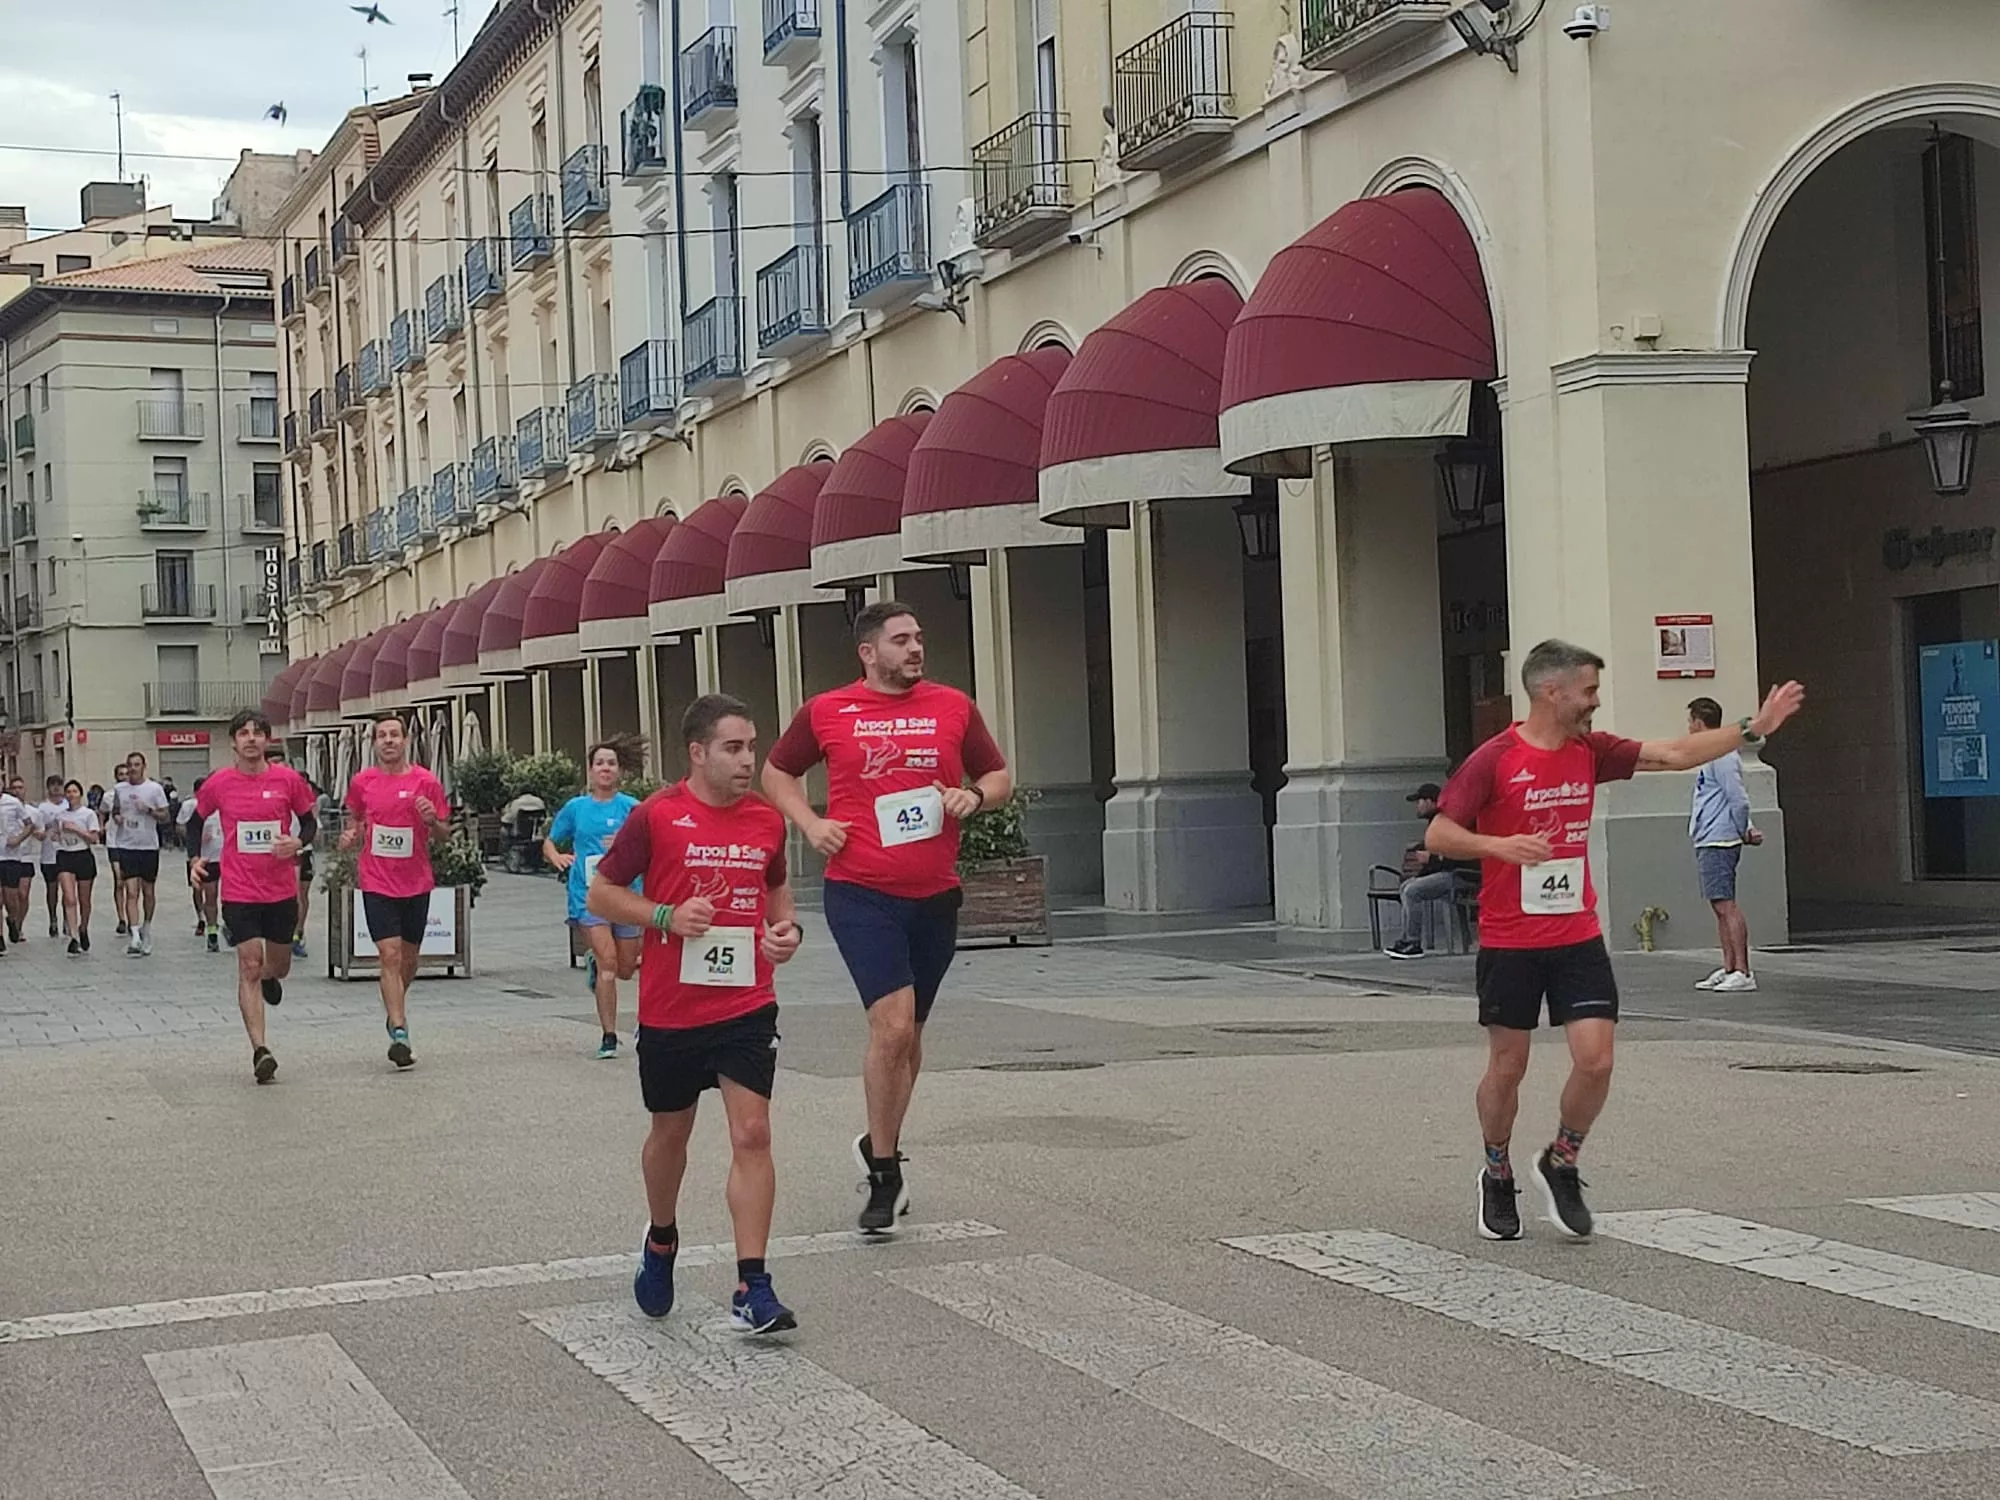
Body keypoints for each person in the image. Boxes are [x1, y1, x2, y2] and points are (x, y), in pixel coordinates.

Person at [1425, 640, 1804, 1243]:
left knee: (1597, 1060)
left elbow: (1676, 752)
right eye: (1589, 691)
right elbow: (1441, 832)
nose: (1596, 702)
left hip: (1577, 934)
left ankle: (1562, 1160)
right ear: (1553, 692)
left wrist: (1751, 728)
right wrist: (1500, 846)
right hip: (1511, 939)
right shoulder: (1495, 759)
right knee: (1508, 1066)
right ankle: (1496, 1172)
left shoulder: (1591, 751)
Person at [762, 602, 1011, 1234]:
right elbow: (777, 769)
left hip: (934, 893)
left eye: (919, 637)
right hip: (860, 890)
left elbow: (998, 773)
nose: (916, 647)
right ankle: (882, 1172)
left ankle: (883, 1143)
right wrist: (811, 822)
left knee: (911, 1035)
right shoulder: (828, 710)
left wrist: (973, 796)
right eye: (902, 640)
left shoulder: (953, 706)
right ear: (868, 652)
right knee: (891, 1024)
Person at [587, 693, 803, 1333]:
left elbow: (776, 896)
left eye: (752, 747)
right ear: (698, 751)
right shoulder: (657, 817)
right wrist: (665, 917)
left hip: (747, 1004)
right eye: (734, 748)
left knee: (753, 1133)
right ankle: (661, 1238)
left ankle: (752, 1283)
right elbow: (602, 889)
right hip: (673, 1009)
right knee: (669, 1136)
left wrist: (784, 934)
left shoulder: (766, 822)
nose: (747, 760)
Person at [193, 710, 318, 1085]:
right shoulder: (220, 784)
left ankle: (270, 977)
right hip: (240, 890)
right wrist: (194, 859)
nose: (250, 739)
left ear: (267, 740)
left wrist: (299, 841)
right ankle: (261, 1050)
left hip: (280, 890)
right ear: (233, 742)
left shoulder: (287, 780)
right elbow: (194, 821)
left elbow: (310, 821)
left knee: (277, 966)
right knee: (248, 963)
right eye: (243, 733)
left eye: (257, 733)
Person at [339, 715, 450, 1070]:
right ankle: (399, 1030)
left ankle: (393, 1009)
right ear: (374, 743)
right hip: (376, 880)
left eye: (394, 735)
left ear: (405, 741)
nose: (388, 741)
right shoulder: (363, 782)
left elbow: (445, 834)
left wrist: (433, 820)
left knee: (409, 960)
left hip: (416, 881)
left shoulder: (425, 781)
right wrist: (352, 834)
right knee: (388, 954)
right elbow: (355, 816)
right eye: (382, 736)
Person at [545, 734, 648, 1059]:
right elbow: (550, 841)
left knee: (627, 968)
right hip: (588, 896)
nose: (605, 769)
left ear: (619, 772)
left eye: (611, 764)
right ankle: (608, 1035)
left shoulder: (633, 808)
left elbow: (656, 845)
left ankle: (595, 964)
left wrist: (625, 844)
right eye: (599, 763)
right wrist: (556, 858)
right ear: (590, 771)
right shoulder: (576, 808)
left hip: (627, 896)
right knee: (609, 964)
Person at [1686, 696, 1762, 993]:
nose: (1689, 727)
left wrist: (1744, 830)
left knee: (1726, 904)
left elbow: (1738, 798)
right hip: (1709, 835)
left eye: (1690, 721)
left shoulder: (1722, 756)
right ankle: (1729, 966)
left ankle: (1743, 970)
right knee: (1718, 905)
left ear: (1699, 722)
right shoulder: (1710, 755)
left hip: (1721, 837)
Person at [1385, 782, 1478, 959]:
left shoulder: (1449, 821)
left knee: (1413, 891)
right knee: (1407, 887)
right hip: (1450, 872)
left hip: (1462, 874)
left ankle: (1413, 942)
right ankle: (1406, 939)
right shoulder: (1435, 823)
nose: (1417, 806)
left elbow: (1463, 852)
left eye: (1419, 801)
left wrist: (1432, 858)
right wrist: (1421, 871)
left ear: (1430, 802)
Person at [110, 751, 172, 957]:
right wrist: (117, 817)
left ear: (144, 766)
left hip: (148, 846)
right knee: (131, 891)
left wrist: (149, 810)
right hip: (126, 845)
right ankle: (134, 934)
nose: (133, 769)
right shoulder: (120, 789)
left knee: (148, 891)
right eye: (130, 765)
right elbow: (115, 810)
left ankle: (147, 927)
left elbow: (165, 816)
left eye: (137, 765)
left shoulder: (154, 789)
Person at [52, 778, 102, 955]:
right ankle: (73, 936)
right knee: (69, 898)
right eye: (68, 792)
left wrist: (76, 829)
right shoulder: (60, 815)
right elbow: (55, 834)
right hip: (65, 855)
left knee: (84, 900)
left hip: (83, 855)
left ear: (80, 794)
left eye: (74, 791)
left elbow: (94, 839)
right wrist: (55, 836)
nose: (71, 795)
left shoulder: (88, 814)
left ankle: (83, 928)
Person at [183, 778, 222, 952]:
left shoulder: (229, 807)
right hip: (208, 859)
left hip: (229, 859)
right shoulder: (200, 810)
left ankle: (230, 924)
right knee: (210, 895)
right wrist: (194, 854)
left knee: (231, 896)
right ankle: (212, 931)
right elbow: (190, 830)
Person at [1, 774, 37, 945]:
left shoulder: (13, 803)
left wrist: (18, 839)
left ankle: (13, 920)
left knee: (11, 898)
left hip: (11, 856)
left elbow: (30, 825)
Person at [34, 776, 65, 937]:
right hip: (49, 854)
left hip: (67, 852)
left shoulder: (68, 805)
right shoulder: (43, 808)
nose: (56, 788)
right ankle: (53, 918)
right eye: (52, 785)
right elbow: (37, 830)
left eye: (59, 785)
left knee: (68, 889)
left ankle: (68, 919)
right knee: (52, 889)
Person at [105, 765, 131, 936]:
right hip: (114, 841)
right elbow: (101, 812)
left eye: (126, 773)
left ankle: (131, 916)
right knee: (119, 880)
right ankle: (121, 918)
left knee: (131, 883)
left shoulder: (136, 793)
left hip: (131, 842)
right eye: (120, 774)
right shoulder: (109, 796)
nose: (123, 776)